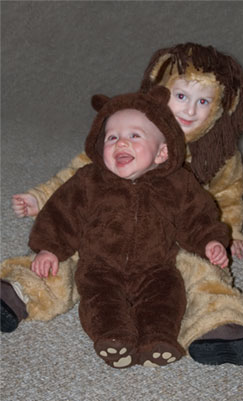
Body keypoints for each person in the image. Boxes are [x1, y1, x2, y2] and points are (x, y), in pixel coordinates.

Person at [1, 42, 243, 366]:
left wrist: (227, 235)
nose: (189, 111)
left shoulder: (220, 154)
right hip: (102, 240)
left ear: (222, 106)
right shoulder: (124, 129)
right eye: (181, 96)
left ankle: (217, 323)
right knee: (61, 255)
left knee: (201, 271)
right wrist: (39, 198)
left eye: (203, 101)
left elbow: (224, 196)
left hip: (172, 239)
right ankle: (18, 291)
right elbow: (70, 188)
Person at [28, 88, 230, 368]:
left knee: (168, 297)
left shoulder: (178, 183)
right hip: (100, 266)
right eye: (112, 137)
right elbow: (62, 213)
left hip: (156, 267)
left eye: (135, 136)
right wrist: (49, 247)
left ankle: (158, 338)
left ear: (162, 152)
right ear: (100, 147)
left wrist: (210, 241)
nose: (121, 143)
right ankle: (113, 338)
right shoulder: (89, 181)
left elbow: (197, 216)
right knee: (100, 302)